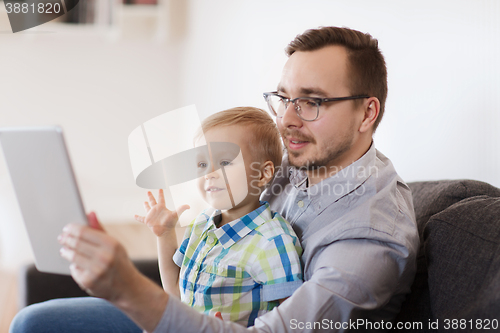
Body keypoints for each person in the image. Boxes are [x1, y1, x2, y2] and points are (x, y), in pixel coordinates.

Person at [10, 26, 419, 333]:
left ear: (367, 114)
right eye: (283, 98)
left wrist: (129, 289)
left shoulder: (371, 237)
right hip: (211, 308)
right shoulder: (301, 159)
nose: (287, 120)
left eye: (311, 102)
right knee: (35, 320)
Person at [134, 107, 303, 327]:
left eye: (224, 163)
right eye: (202, 164)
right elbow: (175, 295)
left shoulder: (272, 242)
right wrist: (164, 234)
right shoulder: (201, 224)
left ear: (263, 174)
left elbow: (293, 321)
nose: (209, 173)